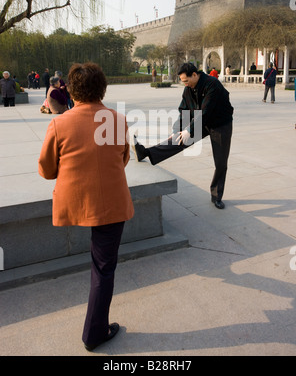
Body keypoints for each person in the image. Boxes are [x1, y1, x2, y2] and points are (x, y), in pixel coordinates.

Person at [38, 62, 134, 351]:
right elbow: (123, 159)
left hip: (76, 202)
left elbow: (45, 169)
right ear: (102, 88)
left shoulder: (59, 123)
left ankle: (95, 330)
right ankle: (95, 333)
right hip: (111, 204)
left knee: (100, 267)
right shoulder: (118, 120)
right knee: (103, 269)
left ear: (72, 90)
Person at [133, 62, 234, 210]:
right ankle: (146, 152)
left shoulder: (212, 84)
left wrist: (190, 130)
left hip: (220, 124)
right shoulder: (188, 89)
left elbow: (206, 112)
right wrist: (177, 131)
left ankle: (216, 196)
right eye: (183, 82)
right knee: (179, 139)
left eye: (186, 81)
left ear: (195, 75)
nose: (185, 84)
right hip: (202, 122)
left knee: (220, 162)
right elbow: (183, 111)